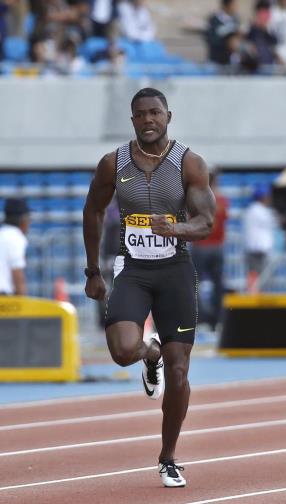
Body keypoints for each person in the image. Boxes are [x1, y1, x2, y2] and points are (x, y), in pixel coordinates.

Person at [82, 87, 216, 487]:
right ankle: (149, 352)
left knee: (179, 374)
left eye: (155, 113)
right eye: (140, 114)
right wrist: (92, 271)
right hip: (133, 269)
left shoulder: (189, 164)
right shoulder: (113, 163)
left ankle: (168, 457)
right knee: (123, 350)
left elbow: (206, 223)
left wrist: (176, 228)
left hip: (175, 270)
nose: (148, 120)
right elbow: (92, 209)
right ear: (132, 120)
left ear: (168, 116)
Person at [191, 171, 229, 331]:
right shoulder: (222, 200)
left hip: (200, 246)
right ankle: (217, 319)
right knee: (218, 284)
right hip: (216, 247)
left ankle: (201, 320)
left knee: (194, 284)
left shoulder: (196, 198)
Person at [242, 183, 278, 285]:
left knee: (257, 277)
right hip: (258, 250)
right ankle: (254, 296)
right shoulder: (257, 210)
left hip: (256, 250)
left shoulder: (253, 209)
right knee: (258, 277)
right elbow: (275, 221)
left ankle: (255, 295)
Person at [0, 198, 29, 296]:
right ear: (23, 219)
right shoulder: (16, 237)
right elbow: (17, 273)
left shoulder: (2, 234)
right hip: (4, 299)